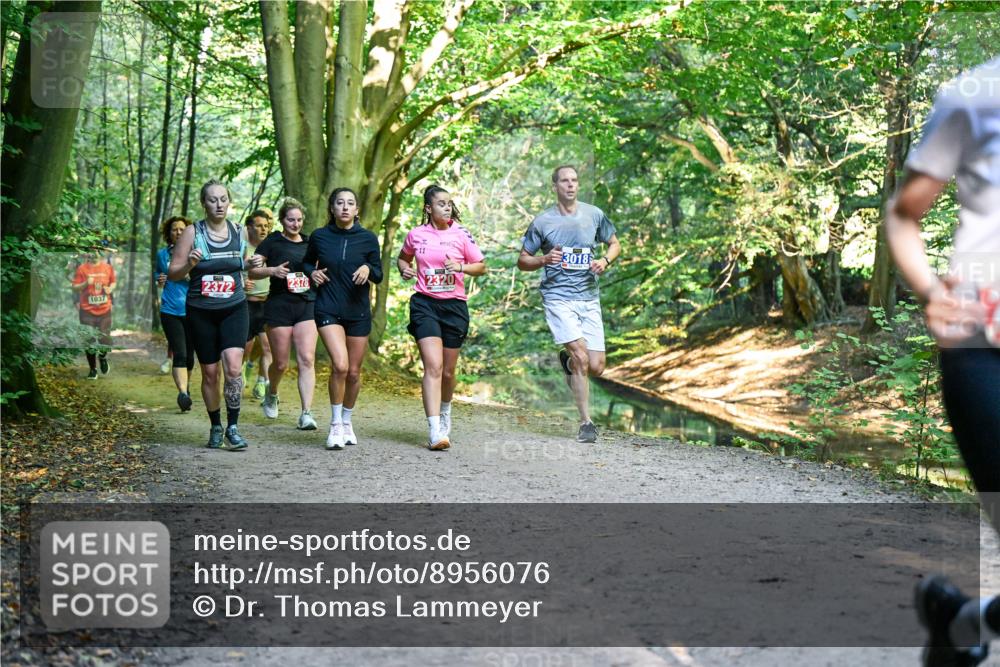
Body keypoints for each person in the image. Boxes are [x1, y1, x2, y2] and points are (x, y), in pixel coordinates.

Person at [884, 57, 1000, 667]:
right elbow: (905, 215)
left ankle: (958, 621)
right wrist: (933, 291)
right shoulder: (975, 95)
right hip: (982, 347)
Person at [517, 165, 621, 443]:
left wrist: (605, 260)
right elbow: (523, 260)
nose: (571, 185)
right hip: (558, 298)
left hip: (589, 297)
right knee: (582, 358)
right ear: (555, 186)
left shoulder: (594, 215)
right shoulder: (543, 222)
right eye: (565, 181)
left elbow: (614, 244)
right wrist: (543, 259)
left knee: (596, 366)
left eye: (574, 180)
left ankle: (568, 363)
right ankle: (586, 423)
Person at [397, 184, 487, 450]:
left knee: (448, 372)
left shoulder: (462, 234)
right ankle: (435, 429)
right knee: (433, 367)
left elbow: (481, 266)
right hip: (424, 304)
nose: (447, 207)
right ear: (428, 208)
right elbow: (403, 260)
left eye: (449, 203)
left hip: (454, 307)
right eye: (441, 204)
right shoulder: (416, 235)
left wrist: (460, 266)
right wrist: (405, 270)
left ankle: (445, 411)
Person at [168, 179, 251, 451]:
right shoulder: (192, 232)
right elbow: (174, 273)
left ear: (229, 202)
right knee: (211, 373)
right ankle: (216, 425)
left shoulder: (239, 232)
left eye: (223, 199)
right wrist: (190, 263)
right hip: (201, 311)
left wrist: (254, 268)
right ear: (204, 203)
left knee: (233, 366)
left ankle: (234, 427)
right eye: (213, 200)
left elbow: (245, 266)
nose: (219, 204)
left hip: (234, 307)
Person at [303, 187, 383, 450]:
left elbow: (379, 273)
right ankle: (335, 423)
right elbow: (306, 263)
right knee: (340, 365)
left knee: (354, 372)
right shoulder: (320, 236)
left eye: (350, 203)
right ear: (332, 208)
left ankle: (347, 421)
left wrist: (367, 267)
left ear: (357, 210)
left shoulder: (368, 238)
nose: (345, 207)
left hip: (358, 311)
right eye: (340, 203)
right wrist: (311, 274)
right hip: (327, 307)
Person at [248, 198, 318, 431]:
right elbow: (254, 272)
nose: (295, 224)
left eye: (299, 220)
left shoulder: (310, 243)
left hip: (306, 303)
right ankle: (272, 392)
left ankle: (306, 413)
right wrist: (273, 270)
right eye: (291, 219)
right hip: (279, 305)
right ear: (281, 220)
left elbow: (320, 266)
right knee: (280, 364)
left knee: (307, 359)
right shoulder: (272, 242)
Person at [156, 215, 195, 411]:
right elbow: (158, 274)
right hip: (170, 309)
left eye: (182, 229)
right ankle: (183, 393)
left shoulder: (196, 254)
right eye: (174, 230)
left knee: (189, 357)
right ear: (168, 233)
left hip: (193, 310)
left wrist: (189, 273)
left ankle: (186, 388)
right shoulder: (162, 254)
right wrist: (160, 279)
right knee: (179, 353)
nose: (178, 233)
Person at [71, 249, 117, 379]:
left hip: (104, 309)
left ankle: (102, 357)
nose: (94, 252)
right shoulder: (82, 268)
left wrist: (111, 288)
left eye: (97, 250)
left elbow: (113, 282)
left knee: (105, 339)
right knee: (89, 339)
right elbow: (74, 287)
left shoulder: (108, 267)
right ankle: (92, 369)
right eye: (91, 250)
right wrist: (86, 283)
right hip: (87, 310)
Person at [243, 210, 273, 400]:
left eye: (266, 226)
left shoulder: (272, 248)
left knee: (268, 347)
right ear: (249, 228)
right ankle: (244, 367)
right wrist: (241, 282)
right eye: (259, 226)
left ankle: (262, 381)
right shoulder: (242, 247)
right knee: (246, 347)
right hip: (245, 304)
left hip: (267, 303)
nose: (263, 229)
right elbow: (230, 270)